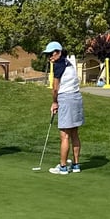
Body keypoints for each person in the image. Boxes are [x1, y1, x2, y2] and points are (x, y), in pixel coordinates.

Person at [43, 41, 83, 174]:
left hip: (66, 98)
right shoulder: (68, 62)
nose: (50, 57)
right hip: (76, 97)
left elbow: (55, 88)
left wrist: (54, 102)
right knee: (74, 133)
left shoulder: (59, 65)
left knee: (64, 135)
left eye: (51, 54)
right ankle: (76, 165)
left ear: (58, 52)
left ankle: (63, 166)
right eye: (48, 55)